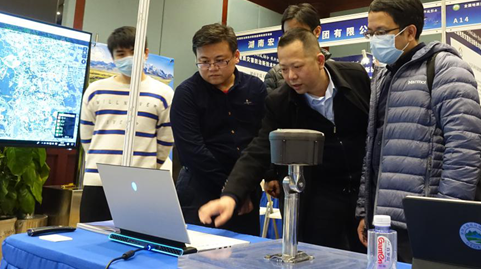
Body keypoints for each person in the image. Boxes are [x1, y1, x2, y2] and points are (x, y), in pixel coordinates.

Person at [199, 28, 370, 252]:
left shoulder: (355, 77)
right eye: (284, 69)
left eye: (297, 67)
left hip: (363, 193)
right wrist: (231, 196)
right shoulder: (280, 101)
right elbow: (259, 149)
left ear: (320, 61)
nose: (291, 76)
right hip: (319, 196)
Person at [356, 0, 481, 263]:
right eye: (370, 32)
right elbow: (373, 149)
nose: (374, 40)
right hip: (384, 222)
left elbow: (465, 148)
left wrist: (445, 216)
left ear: (410, 32)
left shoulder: (445, 68)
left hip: (425, 221)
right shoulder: (382, 76)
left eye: (381, 32)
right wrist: (366, 210)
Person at [171, 23, 266, 235]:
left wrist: (244, 188)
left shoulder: (255, 88)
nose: (212, 68)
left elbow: (262, 139)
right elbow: (192, 151)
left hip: (246, 190)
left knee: (246, 250)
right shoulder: (187, 93)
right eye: (204, 62)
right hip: (200, 189)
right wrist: (232, 190)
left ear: (236, 56)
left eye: (220, 60)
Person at [80, 26, 174, 223]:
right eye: (121, 54)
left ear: (146, 53)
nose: (128, 58)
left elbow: (166, 140)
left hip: (141, 184)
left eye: (134, 51)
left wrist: (147, 168)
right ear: (113, 57)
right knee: (92, 237)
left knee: (136, 237)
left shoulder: (163, 93)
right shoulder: (95, 90)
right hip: (98, 182)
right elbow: (87, 136)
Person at [263, 3, 330, 93]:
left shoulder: (336, 71)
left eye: (299, 33)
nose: (291, 76)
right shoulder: (274, 76)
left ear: (317, 31)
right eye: (288, 33)